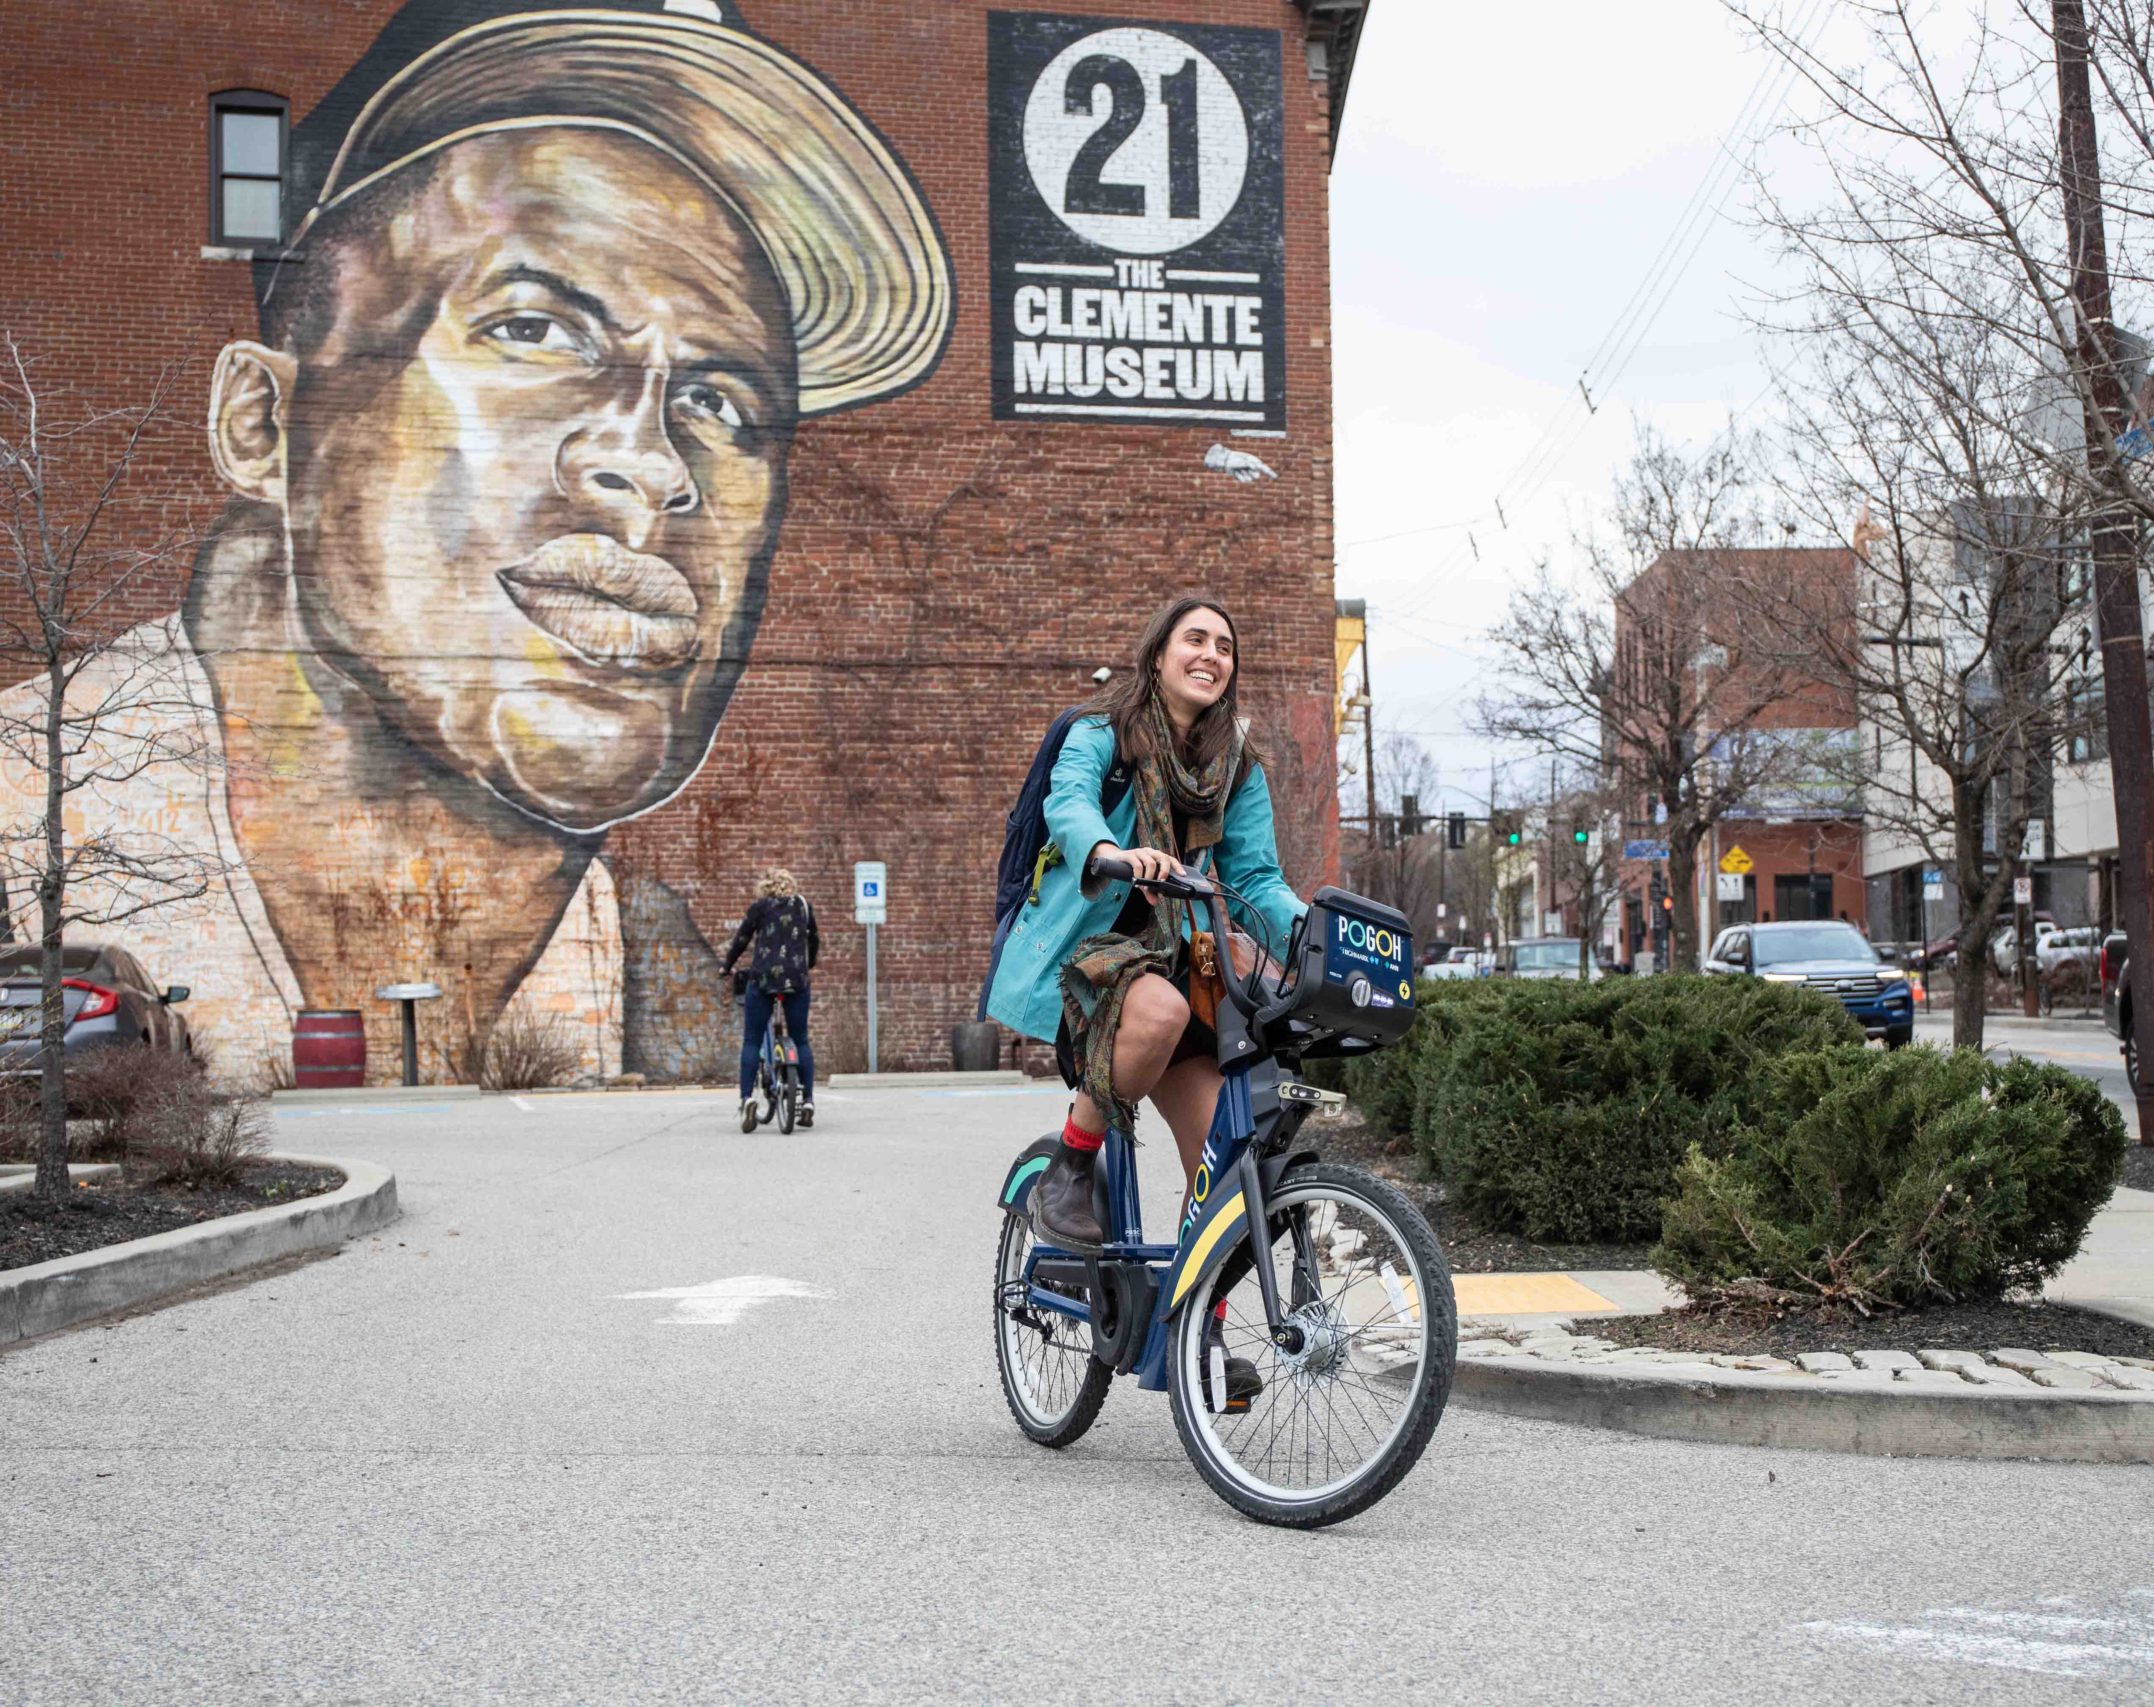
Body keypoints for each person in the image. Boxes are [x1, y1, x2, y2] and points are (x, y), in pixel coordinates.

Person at [0, 0, 952, 1085]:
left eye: (723, 403)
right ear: (262, 424)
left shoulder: (654, 942)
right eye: (535, 330)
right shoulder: (31, 793)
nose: (652, 464)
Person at [983, 596, 1305, 1259]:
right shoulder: (1106, 729)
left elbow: (1256, 881)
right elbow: (1068, 800)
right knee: (1158, 1009)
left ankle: (1185, 1340)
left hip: (1187, 965)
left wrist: (1317, 930)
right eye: (1195, 639)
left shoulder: (1235, 766)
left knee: (1232, 1164)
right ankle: (1069, 1167)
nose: (1210, 655)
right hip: (1094, 966)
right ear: (1159, 654)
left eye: (1224, 646)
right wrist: (1112, 853)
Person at [723, 869, 821, 1126]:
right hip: (797, 980)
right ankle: (808, 1100)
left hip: (764, 979)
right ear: (792, 886)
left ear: (765, 887)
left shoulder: (760, 908)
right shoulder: (803, 907)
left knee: (752, 1040)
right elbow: (815, 940)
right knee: (800, 1039)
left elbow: (741, 939)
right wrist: (806, 966)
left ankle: (746, 1099)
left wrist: (726, 965)